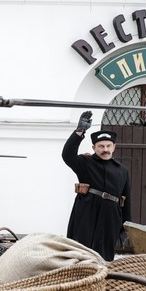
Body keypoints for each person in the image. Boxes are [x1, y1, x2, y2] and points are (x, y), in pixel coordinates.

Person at [62, 111, 132, 261]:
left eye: (108, 145)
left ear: (114, 147)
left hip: (110, 217)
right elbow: (67, 155)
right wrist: (79, 132)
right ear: (94, 147)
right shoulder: (85, 163)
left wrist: (126, 229)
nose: (105, 149)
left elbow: (127, 200)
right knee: (80, 251)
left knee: (104, 256)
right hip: (86, 213)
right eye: (101, 146)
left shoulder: (122, 170)